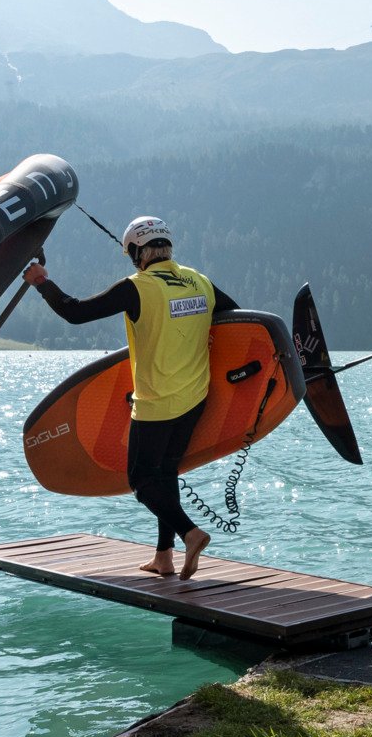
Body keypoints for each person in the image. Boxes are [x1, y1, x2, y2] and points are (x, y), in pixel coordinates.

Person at [23, 216, 238, 578]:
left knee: (140, 480)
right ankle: (164, 557)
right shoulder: (200, 281)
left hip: (156, 402)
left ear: (138, 251)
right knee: (165, 472)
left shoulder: (138, 287)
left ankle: (191, 533)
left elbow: (76, 312)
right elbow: (234, 317)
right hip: (196, 397)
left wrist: (41, 282)